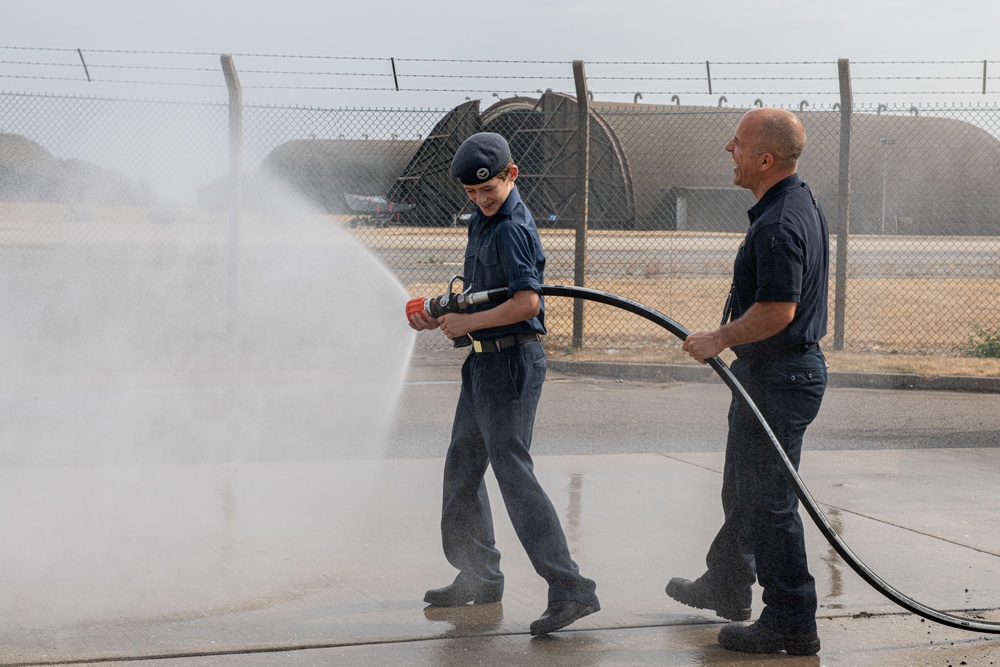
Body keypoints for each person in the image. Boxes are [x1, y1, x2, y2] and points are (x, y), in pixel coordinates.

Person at [407, 132, 600, 636]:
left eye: (487, 189)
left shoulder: (513, 226)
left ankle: (571, 589)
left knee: (514, 476)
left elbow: (526, 304)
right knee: (463, 465)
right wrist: (443, 310)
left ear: (510, 174)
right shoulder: (482, 222)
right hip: (483, 365)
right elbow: (482, 294)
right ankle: (479, 575)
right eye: (472, 194)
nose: (480, 199)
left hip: (512, 363)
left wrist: (467, 324)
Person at [667, 108, 829, 656]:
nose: (726, 149)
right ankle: (728, 582)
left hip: (780, 376)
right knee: (743, 490)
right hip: (771, 374)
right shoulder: (792, 203)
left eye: (735, 143)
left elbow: (778, 310)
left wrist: (718, 337)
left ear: (764, 158)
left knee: (770, 503)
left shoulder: (780, 223)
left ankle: (791, 620)